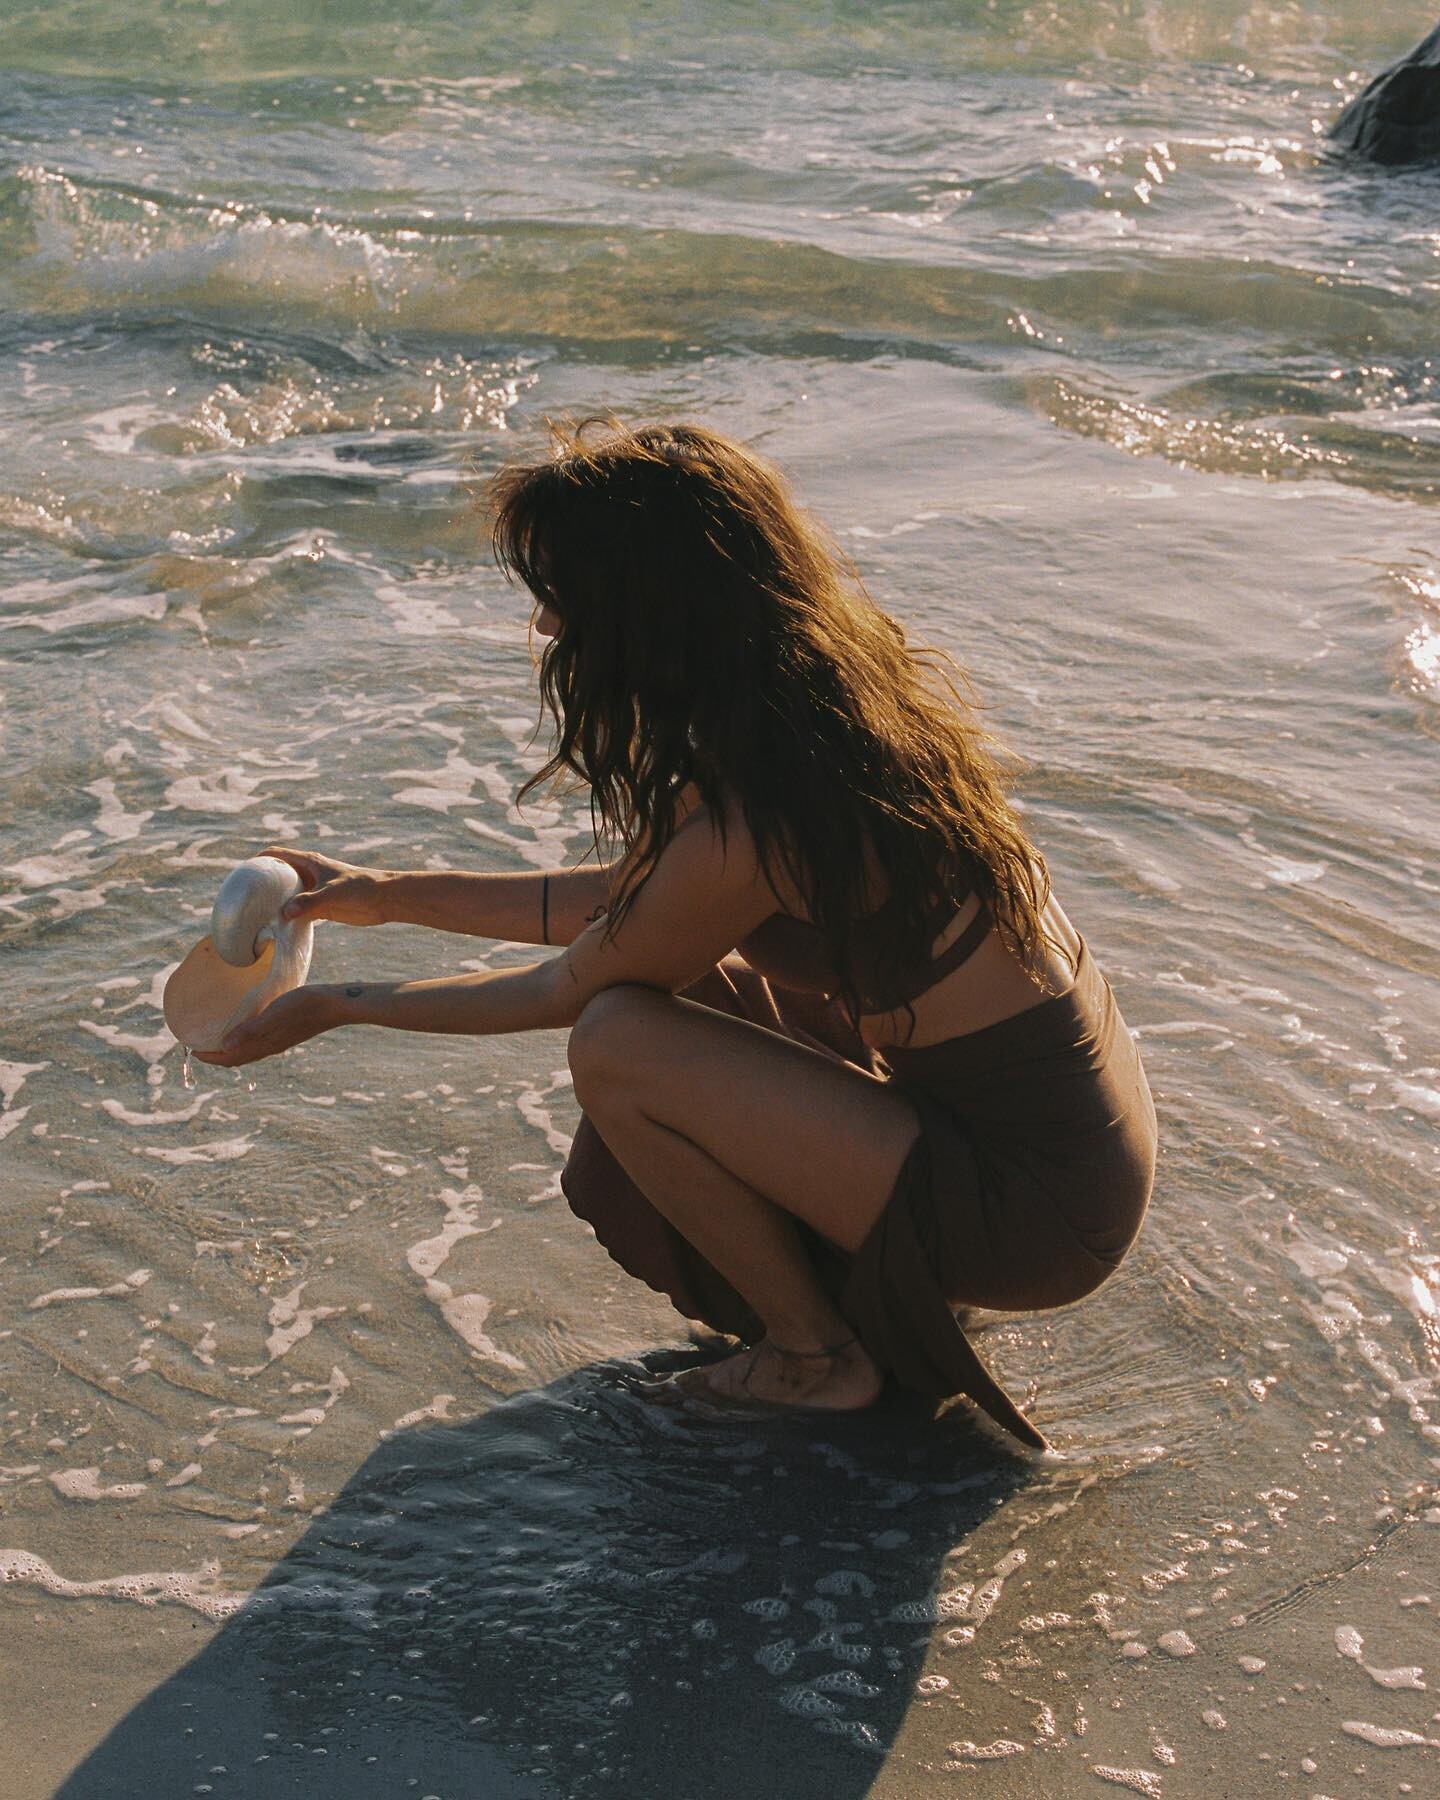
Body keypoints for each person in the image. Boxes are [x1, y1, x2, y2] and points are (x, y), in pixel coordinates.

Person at [197, 418, 1157, 1450]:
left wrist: (338, 1006)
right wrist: (382, 894)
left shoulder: (758, 810)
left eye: (561, 593)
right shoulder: (820, 711)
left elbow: (566, 989)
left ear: (646, 606)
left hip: (1036, 1210)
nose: (549, 626)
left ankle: (816, 1358)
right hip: (1075, 1151)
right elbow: (636, 902)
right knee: (681, 987)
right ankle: (855, 1304)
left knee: (617, 1039)